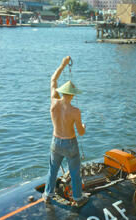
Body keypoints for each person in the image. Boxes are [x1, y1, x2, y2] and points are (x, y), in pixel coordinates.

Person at [43, 56, 88, 207]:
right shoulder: (75, 111)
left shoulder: (54, 102)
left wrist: (62, 65)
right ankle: (78, 198)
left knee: (52, 169)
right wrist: (83, 126)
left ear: (62, 92)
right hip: (70, 143)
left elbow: (52, 80)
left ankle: (48, 194)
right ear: (73, 94)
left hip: (55, 141)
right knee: (75, 172)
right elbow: (81, 133)